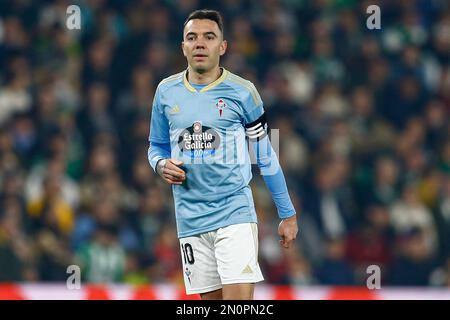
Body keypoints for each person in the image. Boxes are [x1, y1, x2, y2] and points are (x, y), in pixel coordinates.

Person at [148, 9, 298, 300]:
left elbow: (265, 155)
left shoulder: (243, 92)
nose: (200, 44)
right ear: (183, 47)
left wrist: (287, 214)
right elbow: (156, 146)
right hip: (190, 219)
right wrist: (160, 164)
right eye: (192, 38)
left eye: (209, 37)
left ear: (223, 46)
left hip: (235, 214)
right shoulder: (166, 92)